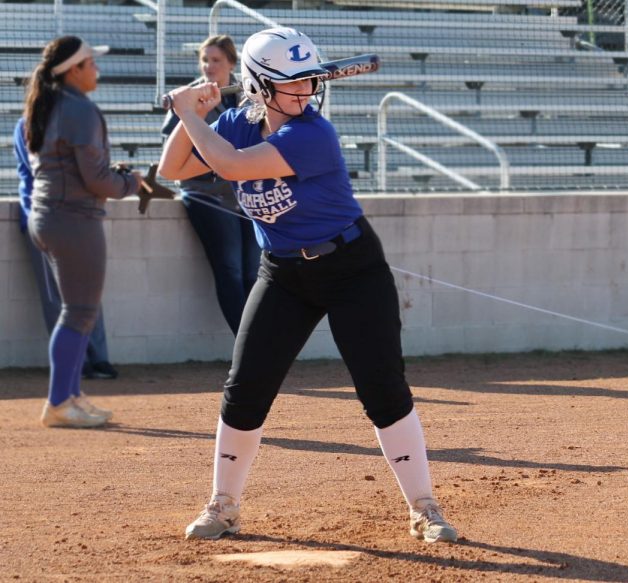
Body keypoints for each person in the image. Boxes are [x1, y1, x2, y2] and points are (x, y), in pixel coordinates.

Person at [159, 27, 457, 544]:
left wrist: (189, 112)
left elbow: (228, 166)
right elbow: (173, 167)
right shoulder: (237, 122)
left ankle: (425, 507)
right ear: (258, 85)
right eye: (291, 84)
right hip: (283, 274)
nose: (306, 92)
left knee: (382, 389)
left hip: (352, 268)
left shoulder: (313, 134)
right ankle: (223, 505)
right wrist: (197, 114)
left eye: (308, 83)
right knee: (245, 387)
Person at [25, 36, 142, 427]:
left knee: (78, 313)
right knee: (79, 313)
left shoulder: (52, 102)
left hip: (51, 218)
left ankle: (70, 395)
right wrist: (131, 183)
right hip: (73, 220)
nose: (97, 69)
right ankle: (60, 402)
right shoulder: (79, 109)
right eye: (91, 62)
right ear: (73, 70)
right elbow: (97, 180)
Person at [161, 35, 259, 335]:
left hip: (241, 191)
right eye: (205, 60)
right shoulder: (189, 97)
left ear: (232, 62)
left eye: (216, 60)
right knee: (229, 268)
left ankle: (260, 340)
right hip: (204, 191)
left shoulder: (247, 96)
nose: (209, 66)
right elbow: (171, 146)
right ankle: (248, 342)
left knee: (253, 272)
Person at [14, 117, 120, 381]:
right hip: (45, 218)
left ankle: (98, 358)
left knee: (89, 293)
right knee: (57, 298)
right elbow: (44, 172)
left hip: (82, 217)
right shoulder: (30, 124)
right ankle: (76, 361)